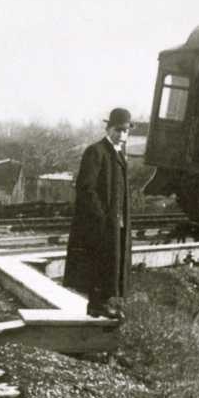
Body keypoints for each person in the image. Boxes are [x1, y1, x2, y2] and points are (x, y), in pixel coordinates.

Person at [63, 108, 133, 320]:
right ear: (108, 128)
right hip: (99, 222)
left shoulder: (118, 153)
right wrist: (101, 215)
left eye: (125, 131)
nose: (121, 135)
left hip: (116, 221)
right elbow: (86, 188)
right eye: (118, 130)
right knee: (98, 260)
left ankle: (106, 303)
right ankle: (97, 305)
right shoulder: (96, 151)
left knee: (111, 261)